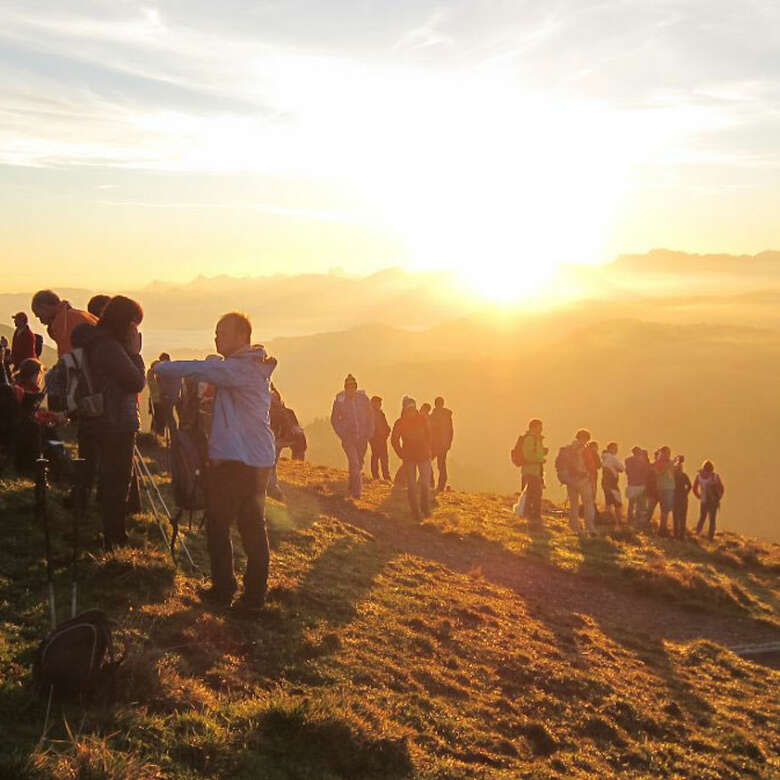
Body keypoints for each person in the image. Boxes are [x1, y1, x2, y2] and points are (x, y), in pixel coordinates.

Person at [155, 312, 277, 611]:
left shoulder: (241, 369)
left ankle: (228, 590)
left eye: (221, 332)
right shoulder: (248, 367)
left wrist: (162, 368)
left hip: (240, 462)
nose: (216, 338)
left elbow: (200, 370)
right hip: (255, 461)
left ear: (240, 337)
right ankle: (251, 595)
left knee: (223, 524)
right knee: (251, 527)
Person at [72, 296, 145, 551]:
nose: (135, 330)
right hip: (116, 420)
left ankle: (111, 532)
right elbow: (135, 382)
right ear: (125, 322)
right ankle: (115, 538)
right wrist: (135, 354)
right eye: (134, 324)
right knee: (117, 479)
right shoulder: (109, 347)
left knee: (109, 477)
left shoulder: (94, 341)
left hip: (100, 418)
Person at [330, 374, 374, 499]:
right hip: (348, 438)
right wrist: (342, 432)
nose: (351, 389)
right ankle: (357, 492)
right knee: (354, 463)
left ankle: (352, 485)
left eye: (352, 387)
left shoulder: (363, 399)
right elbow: (334, 419)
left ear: (355, 387)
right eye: (348, 387)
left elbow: (370, 415)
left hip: (362, 438)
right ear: (345, 388)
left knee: (358, 463)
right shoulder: (340, 401)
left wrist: (370, 432)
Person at [390, 396, 433, 521]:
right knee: (412, 485)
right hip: (409, 457)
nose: (411, 412)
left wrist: (428, 447)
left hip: (423, 455)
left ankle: (425, 508)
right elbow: (394, 440)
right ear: (404, 410)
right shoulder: (400, 423)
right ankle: (416, 512)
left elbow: (429, 434)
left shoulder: (422, 419)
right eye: (409, 409)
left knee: (425, 484)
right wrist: (401, 454)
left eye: (413, 409)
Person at [31, 290, 96, 358]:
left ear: (44, 307)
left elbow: (69, 359)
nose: (41, 321)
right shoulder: (78, 315)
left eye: (40, 316)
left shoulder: (65, 323)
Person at [558, 429, 596, 535]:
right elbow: (591, 465)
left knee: (574, 504)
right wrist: (591, 477)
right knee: (588, 503)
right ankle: (589, 526)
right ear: (586, 438)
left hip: (570, 480)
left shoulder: (568, 449)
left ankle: (574, 526)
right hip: (583, 479)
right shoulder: (585, 450)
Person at [520, 418, 547, 522]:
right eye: (539, 427)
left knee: (533, 494)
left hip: (536, 471)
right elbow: (528, 455)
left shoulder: (537, 439)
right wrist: (540, 459)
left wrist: (543, 453)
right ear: (533, 427)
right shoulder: (530, 439)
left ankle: (531, 515)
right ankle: (533, 516)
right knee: (534, 494)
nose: (541, 429)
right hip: (530, 471)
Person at [693, 460, 724, 541]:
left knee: (702, 517)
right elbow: (722, 488)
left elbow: (694, 488)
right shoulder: (715, 477)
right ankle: (710, 537)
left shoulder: (699, 476)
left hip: (704, 501)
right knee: (712, 519)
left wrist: (698, 496)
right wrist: (718, 497)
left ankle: (697, 533)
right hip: (712, 501)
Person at [430, 396, 454, 493]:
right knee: (441, 465)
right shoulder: (446, 416)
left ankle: (432, 483)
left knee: (428, 462)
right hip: (442, 444)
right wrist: (448, 443)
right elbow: (451, 431)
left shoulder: (435, 415)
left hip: (436, 444)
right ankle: (440, 485)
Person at [155, 353, 181, 439]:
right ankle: (175, 439)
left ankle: (173, 439)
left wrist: (163, 394)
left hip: (166, 397)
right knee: (172, 419)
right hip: (176, 396)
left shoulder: (164, 370)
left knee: (169, 419)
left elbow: (162, 384)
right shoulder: (175, 369)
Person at [654, 446, 675, 537]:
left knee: (667, 508)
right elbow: (659, 472)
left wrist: (676, 465)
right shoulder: (659, 462)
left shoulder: (668, 462)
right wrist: (669, 465)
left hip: (669, 487)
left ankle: (664, 527)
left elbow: (672, 474)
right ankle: (662, 528)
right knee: (665, 508)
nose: (668, 455)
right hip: (663, 488)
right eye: (667, 453)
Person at [369, 395, 391, 481]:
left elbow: (385, 426)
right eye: (378, 403)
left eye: (380, 403)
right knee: (376, 456)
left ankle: (385, 475)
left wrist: (386, 433)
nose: (379, 405)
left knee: (383, 457)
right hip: (375, 438)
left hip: (382, 438)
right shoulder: (370, 414)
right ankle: (377, 475)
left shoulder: (381, 413)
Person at [624, 446, 649, 524]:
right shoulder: (642, 462)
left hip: (631, 484)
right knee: (640, 503)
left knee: (631, 503)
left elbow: (627, 471)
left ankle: (630, 517)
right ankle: (638, 519)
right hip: (640, 484)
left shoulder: (628, 460)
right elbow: (646, 471)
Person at [601, 442, 624, 522]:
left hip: (605, 482)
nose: (616, 450)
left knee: (608, 502)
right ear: (610, 449)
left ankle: (608, 519)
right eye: (615, 448)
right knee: (618, 502)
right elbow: (621, 468)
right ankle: (619, 520)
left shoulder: (604, 457)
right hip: (612, 483)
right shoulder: (612, 458)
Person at [673, 455, 692, 540]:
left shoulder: (673, 476)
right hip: (683, 498)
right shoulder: (684, 476)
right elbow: (690, 486)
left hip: (675, 498)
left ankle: (676, 534)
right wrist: (686, 493)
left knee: (676, 517)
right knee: (683, 517)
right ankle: (682, 535)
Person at [584, 440, 602, 510]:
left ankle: (586, 506)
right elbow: (599, 465)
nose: (597, 448)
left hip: (584, 475)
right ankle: (591, 507)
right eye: (596, 447)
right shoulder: (594, 453)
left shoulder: (584, 452)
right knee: (592, 491)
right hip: (592, 474)